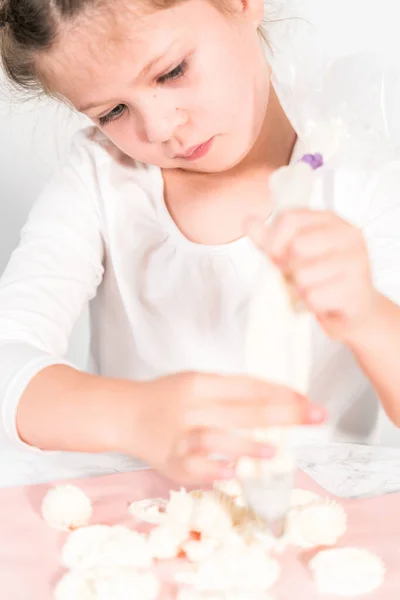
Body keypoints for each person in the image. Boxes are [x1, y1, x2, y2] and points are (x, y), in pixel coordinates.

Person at [0, 0, 399, 487]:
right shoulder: (101, 179)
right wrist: (135, 417)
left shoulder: (364, 182)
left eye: (170, 72)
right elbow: (9, 353)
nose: (161, 128)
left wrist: (368, 315)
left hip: (322, 527)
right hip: (142, 525)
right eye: (114, 111)